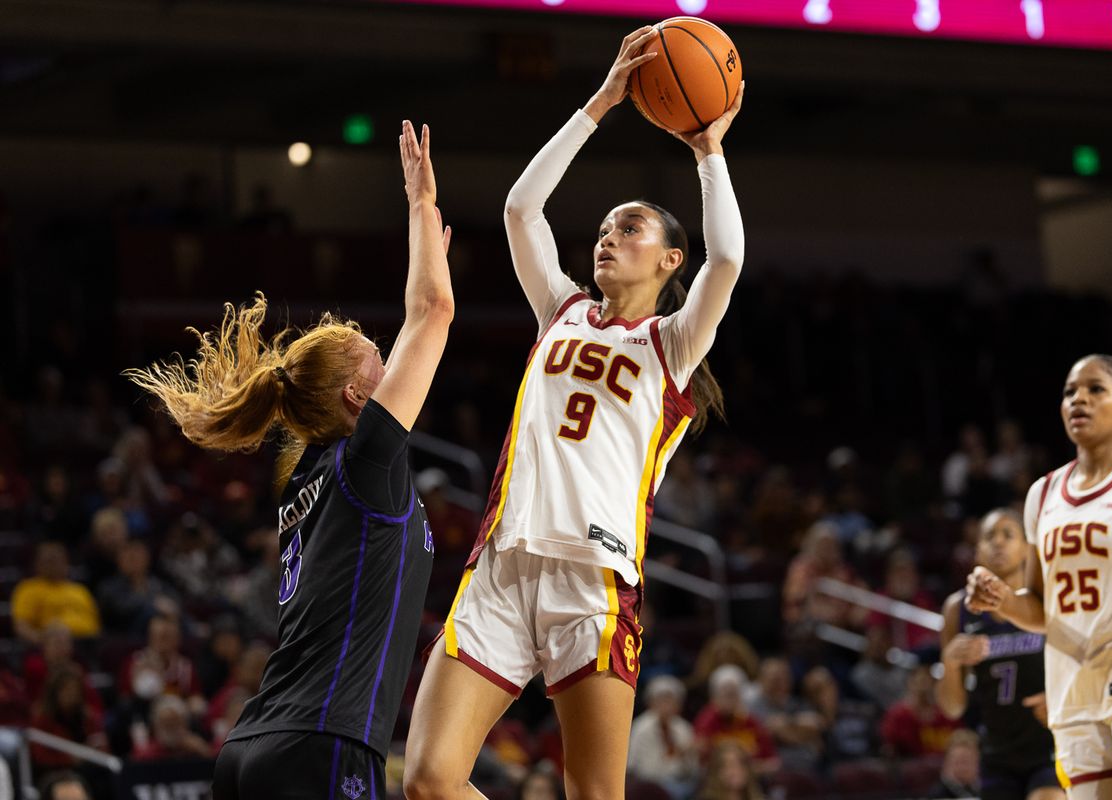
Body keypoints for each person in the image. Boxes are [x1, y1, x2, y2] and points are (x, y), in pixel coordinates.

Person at [403, 26, 744, 800]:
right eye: (602, 229)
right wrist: (600, 103)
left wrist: (706, 151)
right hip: (503, 563)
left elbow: (728, 261)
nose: (607, 238)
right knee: (426, 780)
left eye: (629, 229)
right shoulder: (559, 310)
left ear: (668, 261)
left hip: (594, 582)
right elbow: (522, 210)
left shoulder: (673, 344)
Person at [126, 119, 453, 799]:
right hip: (321, 743)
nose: (395, 368)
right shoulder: (365, 462)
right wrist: (421, 205)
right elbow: (433, 310)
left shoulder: (308, 471)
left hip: (253, 747)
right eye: (381, 362)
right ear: (356, 396)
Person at [967, 355, 1112, 800]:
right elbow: (1041, 608)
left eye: (1096, 390)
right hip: (1074, 694)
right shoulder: (1043, 493)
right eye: (1070, 391)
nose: (1079, 400)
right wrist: (1001, 600)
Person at [937, 508, 1061, 800]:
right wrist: (951, 663)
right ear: (978, 549)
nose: (998, 542)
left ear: (1025, 549)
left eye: (1009, 534)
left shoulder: (1049, 598)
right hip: (997, 753)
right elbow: (952, 707)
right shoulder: (958, 609)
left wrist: (1061, 699)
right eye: (989, 536)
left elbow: (1087, 662)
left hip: (1051, 745)